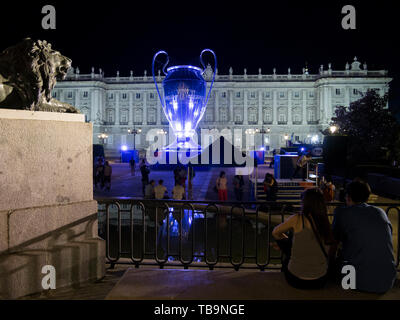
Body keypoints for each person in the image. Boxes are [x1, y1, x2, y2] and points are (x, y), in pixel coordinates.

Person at [332, 180, 397, 293]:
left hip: (355, 282)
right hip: (387, 281)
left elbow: (334, 240)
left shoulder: (342, 213)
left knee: (337, 259)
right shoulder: (380, 212)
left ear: (348, 197)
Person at [272, 188, 334, 289]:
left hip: (296, 280)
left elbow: (275, 232)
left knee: (287, 258)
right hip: (320, 281)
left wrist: (285, 242)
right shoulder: (325, 222)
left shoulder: (297, 218)